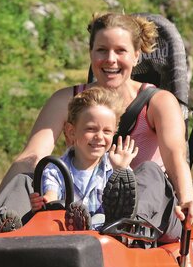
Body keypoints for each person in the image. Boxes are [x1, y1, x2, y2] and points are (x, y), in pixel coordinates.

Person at [0, 11, 193, 241]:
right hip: (79, 208)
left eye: (120, 51)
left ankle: (121, 224)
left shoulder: (158, 101)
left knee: (150, 173)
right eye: (102, 50)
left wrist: (188, 201)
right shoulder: (66, 100)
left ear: (136, 56)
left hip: (152, 212)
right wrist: (6, 196)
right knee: (27, 178)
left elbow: (176, 157)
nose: (110, 60)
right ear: (91, 54)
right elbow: (31, 156)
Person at [28, 86, 139, 230]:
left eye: (107, 131)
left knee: (102, 216)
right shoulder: (55, 169)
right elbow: (51, 194)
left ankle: (95, 225)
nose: (99, 136)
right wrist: (44, 201)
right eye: (91, 129)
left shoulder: (114, 166)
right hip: (66, 235)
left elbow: (128, 202)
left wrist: (121, 170)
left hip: (106, 237)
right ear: (71, 132)